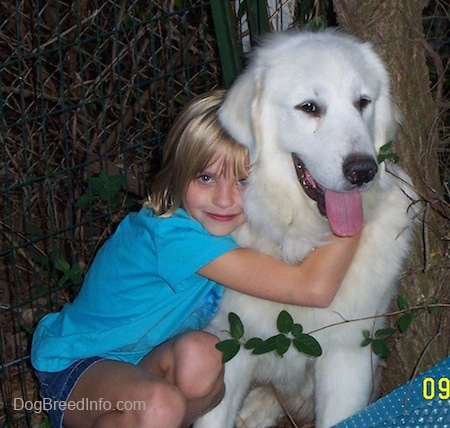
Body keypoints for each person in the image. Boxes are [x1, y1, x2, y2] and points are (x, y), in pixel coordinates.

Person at [31, 89, 361, 428]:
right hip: (77, 371)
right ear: (178, 172)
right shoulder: (173, 238)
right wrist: (353, 196)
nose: (223, 199)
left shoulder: (216, 225)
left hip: (141, 365)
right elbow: (312, 289)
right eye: (206, 177)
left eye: (243, 182)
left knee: (205, 356)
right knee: (161, 406)